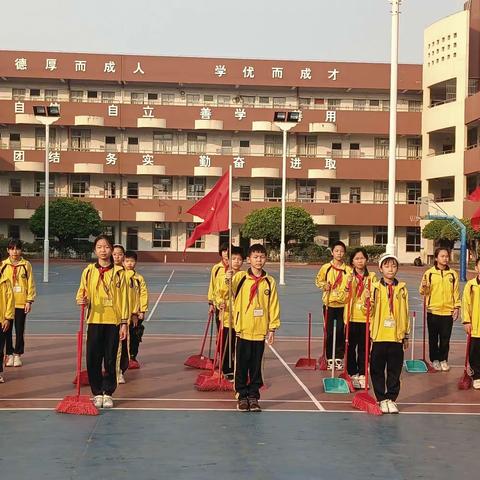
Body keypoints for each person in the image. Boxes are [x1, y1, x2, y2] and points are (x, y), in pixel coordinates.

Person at [76, 235, 129, 409]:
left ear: (112, 250)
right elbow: (81, 292)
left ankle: (108, 392)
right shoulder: (89, 271)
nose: (103, 250)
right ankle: (97, 392)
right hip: (94, 320)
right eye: (99, 247)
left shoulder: (119, 273)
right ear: (95, 250)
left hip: (113, 322)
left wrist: (123, 323)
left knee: (111, 358)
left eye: (106, 247)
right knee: (93, 358)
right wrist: (82, 300)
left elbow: (124, 299)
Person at [226, 244, 280, 412]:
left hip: (260, 331)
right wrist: (227, 278)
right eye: (255, 257)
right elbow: (225, 291)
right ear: (249, 260)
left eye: (262, 257)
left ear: (266, 259)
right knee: (241, 365)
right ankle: (242, 396)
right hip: (243, 330)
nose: (259, 260)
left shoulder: (269, 282)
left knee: (256, 367)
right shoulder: (240, 277)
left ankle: (253, 396)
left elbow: (273, 305)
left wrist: (272, 328)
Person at [369, 253, 410, 414]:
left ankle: (391, 398)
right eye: (387, 266)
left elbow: (405, 313)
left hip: (396, 336)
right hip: (379, 335)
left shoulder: (402, 289)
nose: (390, 269)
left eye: (393, 266)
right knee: (377, 369)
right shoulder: (374, 288)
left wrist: (406, 334)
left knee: (395, 370)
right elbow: (369, 311)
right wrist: (367, 301)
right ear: (380, 269)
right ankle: (381, 398)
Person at [419, 247, 460, 371]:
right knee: (433, 338)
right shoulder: (429, 273)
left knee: (445, 338)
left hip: (448, 312)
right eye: (442, 256)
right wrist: (424, 287)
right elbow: (423, 291)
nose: (445, 258)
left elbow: (456, 292)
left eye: (447, 256)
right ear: (436, 258)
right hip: (433, 311)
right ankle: (435, 359)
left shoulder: (453, 274)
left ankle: (443, 360)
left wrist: (457, 307)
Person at [315, 241, 351, 370]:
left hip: (343, 305)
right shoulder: (326, 268)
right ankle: (330, 357)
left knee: (341, 332)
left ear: (344, 253)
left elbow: (352, 285)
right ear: (332, 252)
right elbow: (318, 280)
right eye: (337, 251)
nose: (339, 253)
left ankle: (339, 358)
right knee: (329, 332)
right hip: (329, 304)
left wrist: (348, 289)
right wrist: (325, 285)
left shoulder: (348, 270)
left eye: (341, 251)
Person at [1, 239, 36, 367]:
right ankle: (9, 354)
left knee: (20, 330)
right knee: (6, 331)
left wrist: (29, 300)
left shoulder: (26, 265)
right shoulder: (3, 265)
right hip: (6, 304)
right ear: (7, 250)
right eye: (12, 248)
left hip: (21, 303)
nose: (14, 251)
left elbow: (30, 283)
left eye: (17, 248)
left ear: (21, 250)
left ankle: (17, 354)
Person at [345, 248, 377, 389]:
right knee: (351, 347)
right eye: (357, 258)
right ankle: (352, 373)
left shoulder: (372, 277)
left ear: (366, 260)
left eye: (362, 258)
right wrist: (347, 286)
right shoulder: (348, 276)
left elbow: (376, 295)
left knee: (364, 348)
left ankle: (363, 373)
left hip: (366, 317)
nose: (360, 261)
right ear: (352, 261)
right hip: (351, 317)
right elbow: (343, 297)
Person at [215, 246, 245, 379]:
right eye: (234, 259)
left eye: (239, 259)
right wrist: (219, 302)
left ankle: (238, 368)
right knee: (225, 343)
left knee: (238, 345)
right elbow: (219, 294)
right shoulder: (223, 276)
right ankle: (226, 368)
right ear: (229, 260)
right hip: (227, 316)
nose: (237, 261)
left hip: (241, 317)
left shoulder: (245, 276)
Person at [120, 250, 149, 378]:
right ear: (123, 262)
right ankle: (120, 361)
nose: (129, 263)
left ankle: (133, 356)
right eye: (127, 261)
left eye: (132, 261)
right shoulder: (119, 275)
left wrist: (141, 310)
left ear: (136, 262)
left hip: (135, 313)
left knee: (135, 335)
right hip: (122, 314)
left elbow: (143, 295)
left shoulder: (139, 278)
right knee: (121, 338)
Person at [461, 258, 480, 390]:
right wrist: (466, 321)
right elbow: (465, 304)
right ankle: (477, 376)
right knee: (475, 353)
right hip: (475, 326)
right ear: (476, 268)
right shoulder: (471, 285)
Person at [207, 243, 229, 329]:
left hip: (233, 306)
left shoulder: (235, 268)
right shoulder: (217, 268)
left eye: (228, 250)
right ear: (221, 252)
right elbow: (212, 285)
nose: (226, 253)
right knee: (220, 331)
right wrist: (211, 303)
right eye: (224, 251)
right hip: (219, 305)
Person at [0, 273, 14, 383]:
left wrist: (8, 318)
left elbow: (10, 300)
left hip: (2, 321)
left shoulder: (5, 281)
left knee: (0, 349)